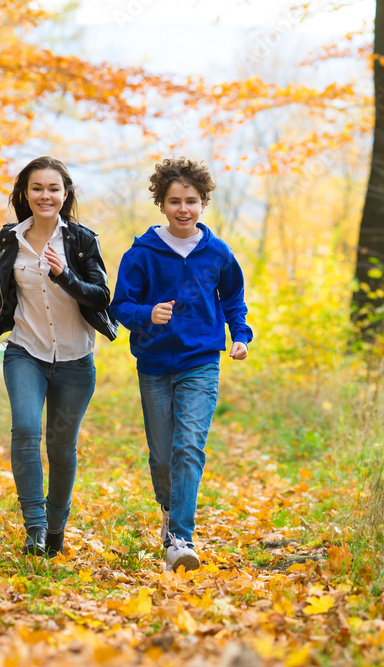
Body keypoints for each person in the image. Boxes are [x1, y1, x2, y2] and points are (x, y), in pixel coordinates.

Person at [109, 157, 252, 572]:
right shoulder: (142, 254)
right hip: (153, 363)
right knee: (162, 456)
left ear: (204, 203)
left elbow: (233, 301)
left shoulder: (217, 253)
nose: (183, 209)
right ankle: (171, 512)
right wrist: (146, 315)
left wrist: (239, 337)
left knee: (188, 446)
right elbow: (121, 305)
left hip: (201, 361)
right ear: (162, 204)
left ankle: (180, 537)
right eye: (175, 201)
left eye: (191, 200)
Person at [0, 156, 118, 558]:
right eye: (37, 188)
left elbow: (101, 296)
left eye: (53, 188)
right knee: (25, 430)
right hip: (26, 351)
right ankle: (35, 528)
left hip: (76, 360)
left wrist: (64, 276)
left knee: (60, 449)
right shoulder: (12, 238)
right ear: (25, 193)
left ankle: (56, 528)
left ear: (65, 194)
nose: (45, 195)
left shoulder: (80, 240)